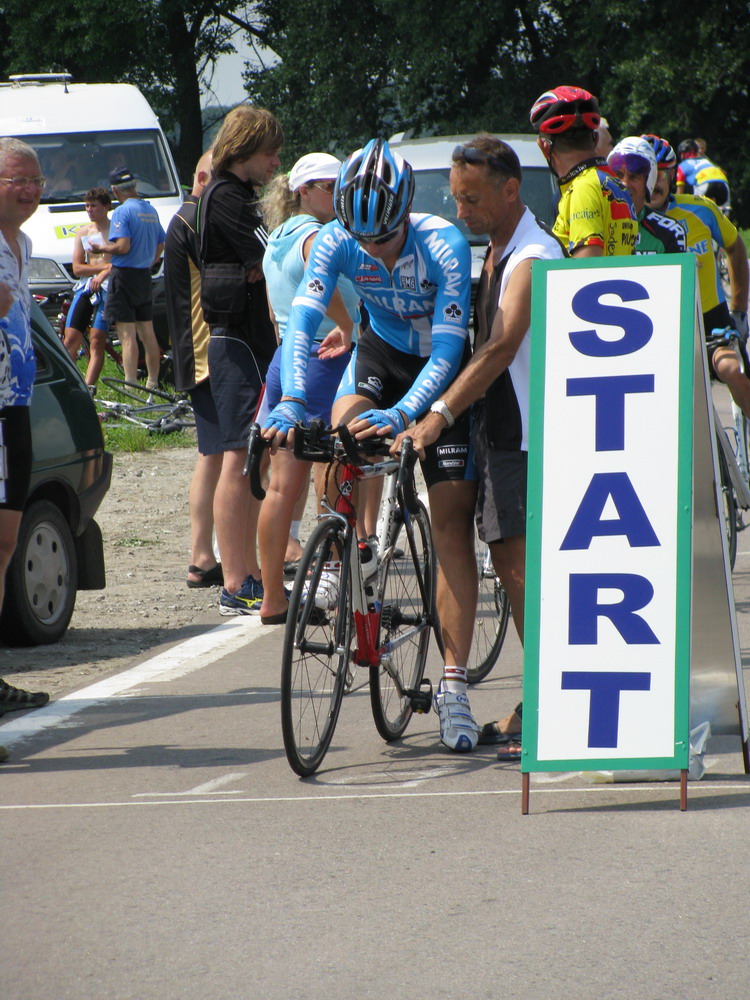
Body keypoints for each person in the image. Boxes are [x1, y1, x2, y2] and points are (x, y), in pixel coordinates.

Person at [263, 138, 482, 753]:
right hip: (381, 354)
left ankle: (454, 686)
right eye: (362, 239)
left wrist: (408, 415)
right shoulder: (338, 238)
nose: (373, 249)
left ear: (404, 213)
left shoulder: (443, 244)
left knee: (450, 523)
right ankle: (347, 555)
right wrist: (292, 400)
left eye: (383, 238)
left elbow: (448, 349)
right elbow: (302, 320)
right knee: (340, 436)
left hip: (438, 370)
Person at [392, 136, 566, 759]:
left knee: (518, 569)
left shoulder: (533, 256)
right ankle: (540, 700)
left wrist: (440, 413)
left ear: (510, 190)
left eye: (471, 199)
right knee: (507, 559)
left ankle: (550, 707)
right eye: (455, 199)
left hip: (524, 430)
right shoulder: (497, 248)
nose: (459, 211)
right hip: (501, 428)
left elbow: (502, 345)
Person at [257, 152, 361, 625]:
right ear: (303, 191)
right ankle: (335, 582)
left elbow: (273, 305)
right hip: (323, 356)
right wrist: (351, 326)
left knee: (282, 486)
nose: (339, 196)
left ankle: (273, 598)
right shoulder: (318, 236)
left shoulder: (276, 238)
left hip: (287, 355)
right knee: (335, 467)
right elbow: (325, 290)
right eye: (329, 187)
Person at [197, 105, 282, 615]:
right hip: (237, 343)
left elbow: (267, 259)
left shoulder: (241, 195)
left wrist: (264, 263)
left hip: (248, 341)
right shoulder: (227, 195)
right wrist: (262, 263)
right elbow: (272, 254)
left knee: (254, 456)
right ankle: (234, 580)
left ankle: (247, 571)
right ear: (245, 148)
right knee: (239, 455)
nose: (276, 162)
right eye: (270, 152)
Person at [0, 138, 52, 752]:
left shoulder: (24, 244)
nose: (31, 190)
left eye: (37, 181)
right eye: (18, 179)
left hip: (15, 407)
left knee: (6, 543)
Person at [643, 134, 750, 415]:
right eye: (647, 173)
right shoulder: (625, 220)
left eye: (661, 173)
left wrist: (739, 309)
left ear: (672, 175)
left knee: (733, 371)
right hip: (655, 325)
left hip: (710, 318)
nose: (654, 181)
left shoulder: (700, 209)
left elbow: (735, 247)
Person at [163, 149, 224, 590]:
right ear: (202, 178)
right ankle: (202, 555)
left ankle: (205, 553)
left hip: (199, 351)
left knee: (215, 455)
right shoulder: (194, 219)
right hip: (204, 354)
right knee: (214, 455)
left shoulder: (188, 218)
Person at [530, 85, 638, 257]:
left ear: (545, 147)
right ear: (595, 139)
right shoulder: (613, 183)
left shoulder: (583, 189)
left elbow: (586, 269)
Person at [96, 166, 165, 388]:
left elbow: (123, 246)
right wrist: (150, 260)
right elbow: (161, 242)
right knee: (147, 331)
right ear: (134, 185)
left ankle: (131, 383)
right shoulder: (150, 209)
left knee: (127, 334)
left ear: (115, 190)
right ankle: (153, 381)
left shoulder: (122, 211)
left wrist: (102, 248)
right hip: (143, 275)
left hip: (124, 275)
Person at [62, 187, 113, 389]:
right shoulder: (83, 232)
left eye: (94, 206)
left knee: (97, 339)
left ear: (106, 207)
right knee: (70, 339)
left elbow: (120, 261)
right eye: (87, 206)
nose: (89, 210)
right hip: (87, 286)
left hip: (108, 286)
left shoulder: (116, 230)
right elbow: (77, 268)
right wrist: (104, 267)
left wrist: (106, 270)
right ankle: (68, 384)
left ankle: (88, 388)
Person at [606, 137, 686, 254]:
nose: (624, 184)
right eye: (618, 175)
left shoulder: (670, 232)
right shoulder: (594, 223)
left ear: (649, 182)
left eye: (634, 177)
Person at [675, 138, 731, 210]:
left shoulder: (682, 165)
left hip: (704, 183)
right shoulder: (706, 160)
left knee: (697, 213)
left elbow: (680, 192)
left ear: (682, 155)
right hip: (723, 182)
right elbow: (723, 172)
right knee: (724, 214)